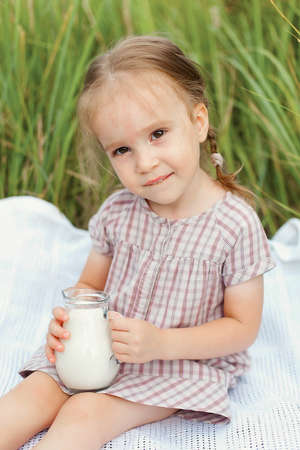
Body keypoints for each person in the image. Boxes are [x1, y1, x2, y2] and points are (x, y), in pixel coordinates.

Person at [0, 35, 275, 450]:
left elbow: (242, 328)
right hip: (104, 348)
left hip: (179, 362)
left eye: (159, 133)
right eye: (122, 149)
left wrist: (161, 342)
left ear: (198, 122)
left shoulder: (234, 223)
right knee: (29, 396)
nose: (145, 163)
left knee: (84, 412)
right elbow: (89, 288)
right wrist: (69, 322)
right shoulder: (118, 211)